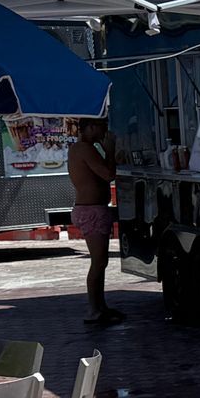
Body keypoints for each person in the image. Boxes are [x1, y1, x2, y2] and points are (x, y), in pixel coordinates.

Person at [67, 118, 122, 326]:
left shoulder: (82, 148)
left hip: (92, 208)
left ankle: (100, 306)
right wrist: (109, 150)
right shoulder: (84, 149)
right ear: (89, 128)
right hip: (91, 210)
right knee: (98, 262)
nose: (104, 132)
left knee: (102, 262)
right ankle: (93, 309)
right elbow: (108, 174)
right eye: (102, 127)